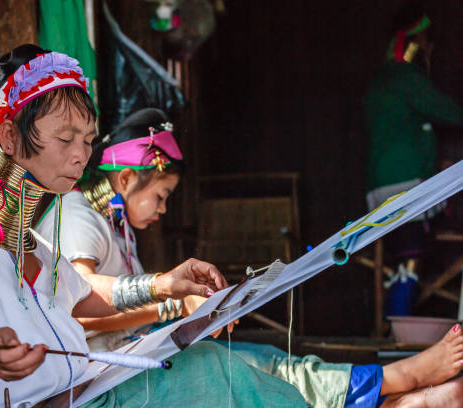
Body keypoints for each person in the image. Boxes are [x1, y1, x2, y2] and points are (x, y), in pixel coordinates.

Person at [0, 44, 310, 407]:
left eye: (88, 140)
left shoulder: (34, 248)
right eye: (65, 138)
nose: (81, 155)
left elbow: (85, 294)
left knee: (213, 368)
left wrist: (168, 285)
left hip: (85, 394)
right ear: (9, 137)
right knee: (216, 375)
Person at [36, 108, 463, 408]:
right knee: (241, 370)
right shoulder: (77, 215)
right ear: (126, 178)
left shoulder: (114, 228)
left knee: (268, 362)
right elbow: (77, 308)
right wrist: (171, 302)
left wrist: (192, 312)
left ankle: (396, 391)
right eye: (161, 196)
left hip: (130, 358)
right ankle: (398, 391)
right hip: (102, 381)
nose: (164, 209)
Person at [364, 1, 463, 312]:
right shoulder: (405, 78)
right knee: (410, 260)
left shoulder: (380, 81)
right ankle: (398, 333)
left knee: (402, 263)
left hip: (381, 187)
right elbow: (448, 112)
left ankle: (394, 330)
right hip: (406, 186)